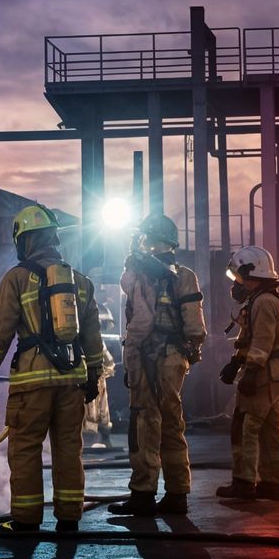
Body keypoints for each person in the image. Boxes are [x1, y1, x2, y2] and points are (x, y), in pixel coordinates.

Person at [0, 205, 105, 532]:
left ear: (25, 241)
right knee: (68, 450)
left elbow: (0, 330)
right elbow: (93, 336)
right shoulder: (79, 281)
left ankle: (26, 520)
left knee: (25, 450)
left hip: (32, 382)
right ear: (54, 237)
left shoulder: (17, 279)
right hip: (72, 379)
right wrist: (94, 375)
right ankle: (69, 519)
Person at [109, 214, 207, 517]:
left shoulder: (143, 274)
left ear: (149, 238)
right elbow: (194, 325)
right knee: (172, 423)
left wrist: (132, 354)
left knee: (144, 422)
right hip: (175, 356)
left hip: (152, 354)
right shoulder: (185, 274)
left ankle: (143, 493)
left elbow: (140, 318)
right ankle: (177, 494)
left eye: (142, 238)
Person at [217, 245, 279, 502]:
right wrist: (236, 363)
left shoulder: (264, 302)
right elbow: (250, 340)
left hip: (263, 376)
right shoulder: (263, 300)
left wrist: (250, 373)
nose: (235, 284)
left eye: (238, 277)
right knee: (271, 430)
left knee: (246, 428)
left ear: (250, 272)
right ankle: (272, 483)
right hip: (272, 374)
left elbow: (262, 342)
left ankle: (244, 483)